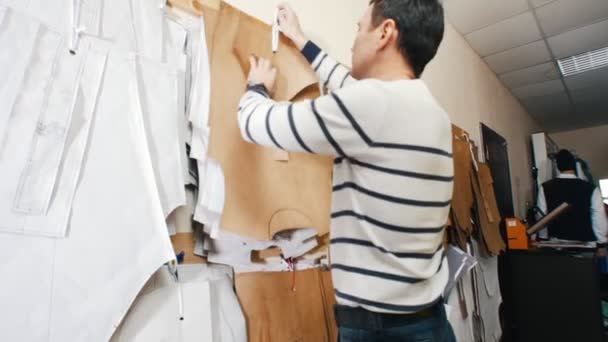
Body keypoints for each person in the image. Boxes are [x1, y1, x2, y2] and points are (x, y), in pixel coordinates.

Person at [238, 1, 455, 340]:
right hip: (430, 323)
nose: (354, 41)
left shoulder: (373, 105)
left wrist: (256, 88)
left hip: (380, 332)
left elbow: (256, 124)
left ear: (385, 32)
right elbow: (349, 88)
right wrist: (299, 38)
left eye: (359, 28)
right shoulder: (428, 110)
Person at [538, 149, 608, 244]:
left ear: (557, 166)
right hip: (585, 241)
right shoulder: (591, 188)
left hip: (557, 241)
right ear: (574, 165)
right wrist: (601, 242)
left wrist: (543, 237)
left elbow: (541, 216)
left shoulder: (545, 187)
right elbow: (598, 216)